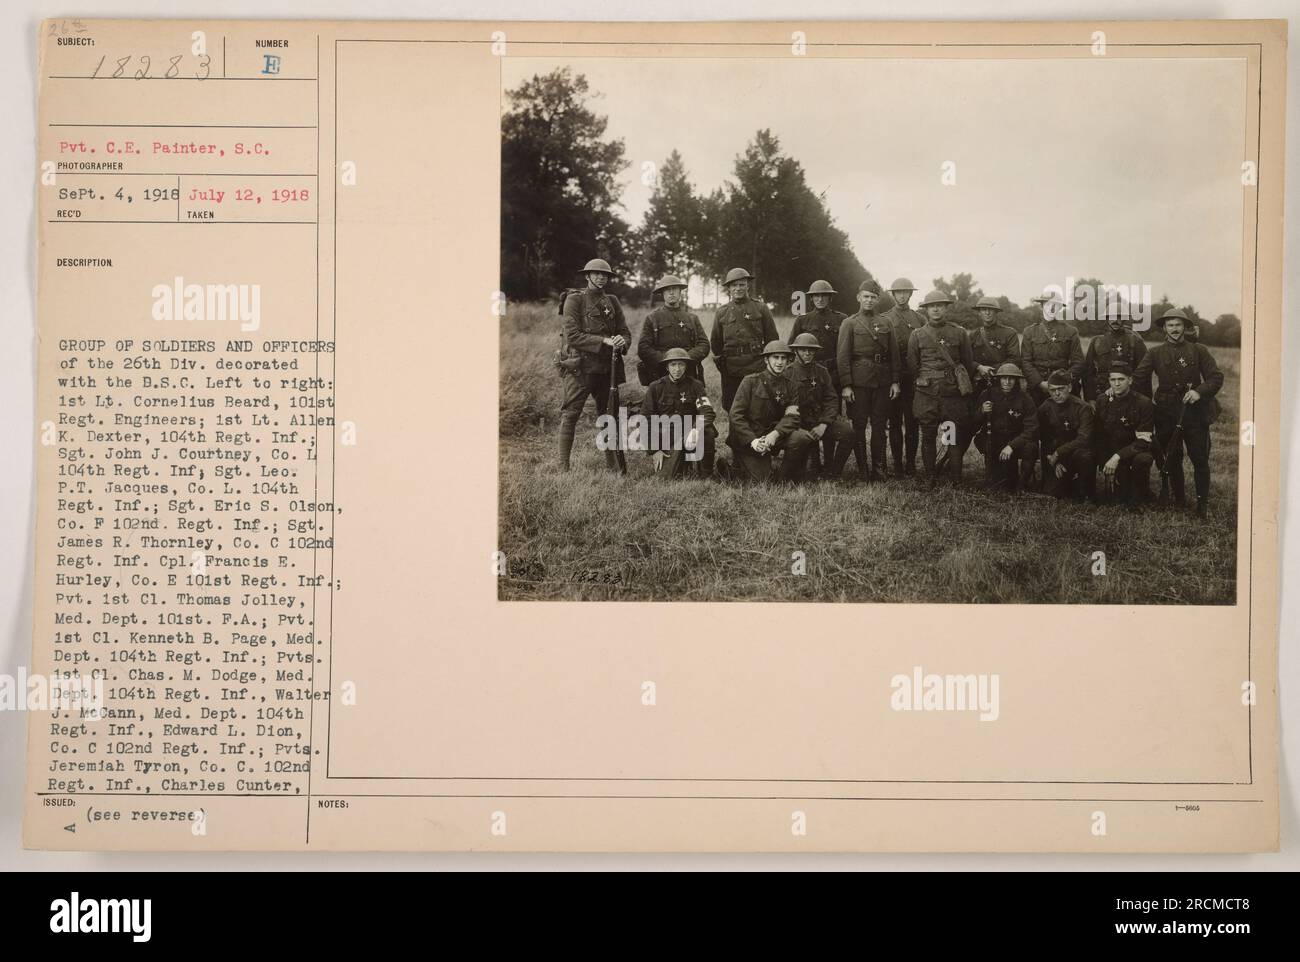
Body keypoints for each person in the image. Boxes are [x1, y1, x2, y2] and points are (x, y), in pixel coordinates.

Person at [1133, 308, 1224, 517]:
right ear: (1164, 328)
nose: (1174, 329)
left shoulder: (1199, 350)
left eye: (1178, 325)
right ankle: (1179, 499)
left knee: (1199, 458)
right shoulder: (1154, 353)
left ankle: (1202, 504)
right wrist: (1145, 403)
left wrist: (1198, 392)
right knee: (1171, 456)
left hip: (1194, 413)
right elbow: (1138, 378)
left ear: (1185, 327)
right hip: (1166, 412)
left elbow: (1215, 377)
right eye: (1170, 325)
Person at [557, 258, 631, 472]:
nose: (601, 277)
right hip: (580, 367)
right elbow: (572, 336)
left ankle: (613, 467)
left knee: (608, 416)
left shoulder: (613, 301)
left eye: (604, 274)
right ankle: (563, 468)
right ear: (587, 276)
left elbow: (624, 331)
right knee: (571, 414)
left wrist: (621, 341)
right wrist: (604, 341)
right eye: (596, 274)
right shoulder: (575, 300)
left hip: (608, 368)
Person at [907, 290, 977, 482]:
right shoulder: (917, 334)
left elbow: (967, 363)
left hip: (951, 394)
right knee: (928, 435)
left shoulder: (959, 332)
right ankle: (930, 476)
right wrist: (924, 380)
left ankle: (955, 478)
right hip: (926, 393)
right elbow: (912, 366)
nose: (936, 309)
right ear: (926, 309)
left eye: (940, 305)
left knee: (951, 436)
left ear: (946, 308)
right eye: (931, 306)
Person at [835, 280, 900, 481]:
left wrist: (895, 381)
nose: (869, 300)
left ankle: (879, 469)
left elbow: (895, 355)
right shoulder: (850, 323)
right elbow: (842, 356)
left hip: (882, 382)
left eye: (873, 297)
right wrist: (846, 385)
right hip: (858, 383)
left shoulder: (886, 323)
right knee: (859, 425)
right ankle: (863, 469)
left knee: (880, 425)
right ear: (858, 297)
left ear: (878, 299)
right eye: (866, 296)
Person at [727, 340, 815, 483]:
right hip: (752, 437)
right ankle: (732, 468)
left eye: (783, 358)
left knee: (802, 437)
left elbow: (793, 417)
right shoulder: (750, 382)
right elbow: (735, 415)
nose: (780, 362)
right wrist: (752, 441)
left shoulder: (791, 385)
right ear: (766, 359)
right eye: (775, 357)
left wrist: (775, 434)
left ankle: (784, 477)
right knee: (761, 481)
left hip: (774, 435)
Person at [788, 279, 847, 473]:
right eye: (816, 296)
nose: (820, 299)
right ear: (811, 298)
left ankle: (829, 462)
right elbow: (792, 347)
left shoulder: (841, 319)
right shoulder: (803, 320)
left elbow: (846, 349)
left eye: (824, 296)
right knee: (807, 414)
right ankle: (813, 460)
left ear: (830, 298)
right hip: (805, 372)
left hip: (832, 373)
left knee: (829, 414)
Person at [709, 267, 779, 413]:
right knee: (732, 406)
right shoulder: (722, 312)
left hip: (755, 366)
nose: (738, 288)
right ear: (729, 288)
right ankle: (735, 435)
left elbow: (772, 340)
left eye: (742, 284)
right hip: (731, 369)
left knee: (757, 405)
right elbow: (715, 342)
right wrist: (724, 365)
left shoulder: (761, 308)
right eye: (734, 285)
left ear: (748, 285)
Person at [640, 347, 716, 478]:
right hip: (667, 437)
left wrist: (696, 430)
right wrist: (655, 450)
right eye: (673, 364)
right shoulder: (656, 387)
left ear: (686, 366)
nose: (677, 369)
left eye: (681, 364)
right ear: (667, 367)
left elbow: (707, 411)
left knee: (707, 431)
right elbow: (645, 420)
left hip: (690, 434)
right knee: (667, 478)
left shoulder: (696, 385)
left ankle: (706, 473)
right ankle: (683, 462)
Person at [788, 333, 851, 481]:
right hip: (800, 426)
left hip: (820, 422)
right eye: (803, 349)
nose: (807, 353)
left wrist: (823, 424)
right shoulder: (788, 373)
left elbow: (832, 400)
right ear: (796, 351)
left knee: (848, 433)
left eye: (811, 350)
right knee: (809, 476)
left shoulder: (822, 371)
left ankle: (833, 473)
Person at [1092, 361, 1155, 508]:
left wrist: (1117, 457)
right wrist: (1104, 461)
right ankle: (1090, 494)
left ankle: (1137, 497)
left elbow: (1144, 440)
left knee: (1143, 459)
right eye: (1113, 380)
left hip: (1132, 451)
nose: (1117, 384)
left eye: (1121, 379)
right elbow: (1098, 434)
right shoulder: (1102, 400)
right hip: (1109, 450)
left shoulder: (1143, 403)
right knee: (1087, 453)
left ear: (1130, 380)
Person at [880, 277, 926, 475]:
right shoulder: (884, 318)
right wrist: (892, 378)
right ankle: (898, 464)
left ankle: (910, 464)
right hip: (893, 377)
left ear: (911, 294)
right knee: (895, 421)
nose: (902, 295)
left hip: (913, 377)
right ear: (892, 294)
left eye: (906, 292)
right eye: (898, 292)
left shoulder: (920, 319)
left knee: (912, 421)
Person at [973, 362, 1038, 493]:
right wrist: (982, 411)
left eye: (1011, 378)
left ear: (1017, 380)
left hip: (1015, 441)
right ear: (998, 379)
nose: (1007, 382)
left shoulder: (1025, 399)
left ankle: (1022, 485)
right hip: (993, 440)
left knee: (1031, 448)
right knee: (997, 483)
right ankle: (993, 475)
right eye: (1004, 378)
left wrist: (1012, 446)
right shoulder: (987, 394)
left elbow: (1031, 429)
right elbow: (974, 424)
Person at [636, 275, 709, 384]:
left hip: (688, 372)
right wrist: (666, 361)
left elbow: (704, 344)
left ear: (680, 292)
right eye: (667, 290)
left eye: (674, 289)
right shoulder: (652, 318)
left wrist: (686, 359)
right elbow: (643, 348)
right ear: (662, 294)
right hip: (661, 373)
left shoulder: (692, 318)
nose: (671, 293)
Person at [1037, 368, 1096, 501]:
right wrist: (1054, 461)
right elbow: (1044, 438)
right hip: (1054, 457)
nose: (1057, 394)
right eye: (1052, 390)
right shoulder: (1045, 408)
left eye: (1061, 389)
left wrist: (1059, 452)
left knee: (1085, 456)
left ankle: (1084, 487)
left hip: (1077, 453)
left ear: (1069, 387)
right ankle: (1066, 482)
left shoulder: (1083, 408)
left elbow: (1084, 439)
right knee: (1053, 493)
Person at [1022, 292, 1084, 401]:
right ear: (1041, 306)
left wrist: (1062, 382)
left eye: (1056, 305)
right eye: (1048, 304)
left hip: (1063, 385)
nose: (1052, 308)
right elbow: (1026, 362)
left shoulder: (1070, 331)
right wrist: (1040, 383)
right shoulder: (1030, 332)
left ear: (1060, 308)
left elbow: (1078, 361)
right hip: (1038, 388)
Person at [1082, 307, 1147, 402]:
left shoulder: (1135, 341)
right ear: (1107, 319)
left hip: (1129, 395)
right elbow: (1088, 373)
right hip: (1102, 394)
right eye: (1111, 317)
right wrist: (1090, 398)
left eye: (1119, 317)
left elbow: (1143, 372)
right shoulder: (1097, 341)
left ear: (1124, 319)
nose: (1115, 321)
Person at [971, 296, 1022, 390]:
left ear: (996, 312)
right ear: (979, 313)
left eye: (991, 310)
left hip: (1004, 382)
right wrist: (979, 367)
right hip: (980, 383)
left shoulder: (1009, 333)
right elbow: (966, 358)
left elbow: (1014, 359)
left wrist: (991, 370)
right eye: (983, 309)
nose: (987, 312)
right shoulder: (973, 335)